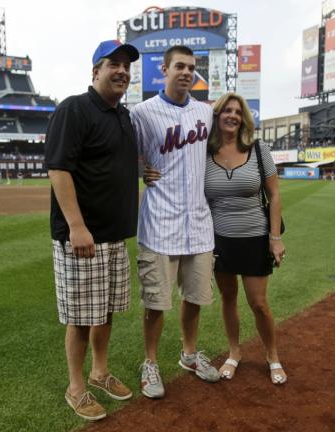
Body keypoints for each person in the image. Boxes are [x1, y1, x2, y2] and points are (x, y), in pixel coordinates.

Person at [44, 40, 140, 421]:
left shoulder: (122, 116)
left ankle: (99, 373)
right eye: (112, 64)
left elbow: (118, 162)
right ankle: (76, 387)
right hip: (82, 237)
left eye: (126, 66)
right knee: (81, 318)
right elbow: (58, 168)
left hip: (114, 234)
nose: (122, 71)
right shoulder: (74, 108)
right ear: (94, 71)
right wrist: (77, 226)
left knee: (105, 313)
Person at [131, 45, 220, 399]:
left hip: (198, 224)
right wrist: (139, 168)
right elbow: (127, 153)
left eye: (191, 68)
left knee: (195, 298)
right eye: (179, 66)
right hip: (159, 224)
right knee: (156, 303)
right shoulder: (143, 112)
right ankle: (150, 362)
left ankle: (188, 354)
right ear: (164, 70)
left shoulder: (205, 112)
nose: (186, 72)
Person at [203, 93, 288, 385]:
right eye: (226, 110)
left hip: (254, 236)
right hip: (219, 240)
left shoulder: (257, 148)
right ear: (217, 115)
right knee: (228, 298)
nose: (232, 115)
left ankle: (272, 355)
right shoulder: (205, 151)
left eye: (237, 112)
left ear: (243, 118)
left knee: (259, 303)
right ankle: (234, 352)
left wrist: (274, 238)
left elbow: (275, 194)